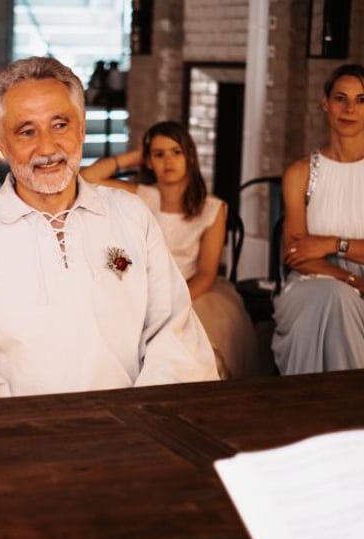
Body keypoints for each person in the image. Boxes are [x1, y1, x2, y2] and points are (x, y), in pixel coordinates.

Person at [0, 56, 218, 399]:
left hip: (129, 421)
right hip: (13, 426)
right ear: (0, 143)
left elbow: (174, 333)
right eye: (26, 131)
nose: (47, 148)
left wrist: (139, 419)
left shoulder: (131, 215)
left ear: (82, 128)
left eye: (60, 125)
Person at [81, 121, 260, 379]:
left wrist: (171, 301)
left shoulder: (212, 208)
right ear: (149, 162)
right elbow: (86, 179)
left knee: (195, 350)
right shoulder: (141, 195)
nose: (168, 161)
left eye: (176, 152)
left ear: (190, 156)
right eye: (158, 154)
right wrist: (135, 157)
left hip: (192, 291)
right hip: (144, 287)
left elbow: (207, 274)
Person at [272, 64, 364, 375]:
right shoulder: (301, 173)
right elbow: (296, 255)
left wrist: (332, 244)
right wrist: (353, 281)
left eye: (361, 100)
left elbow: (314, 248)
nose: (350, 109)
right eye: (341, 98)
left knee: (338, 298)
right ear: (325, 103)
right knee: (335, 297)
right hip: (311, 282)